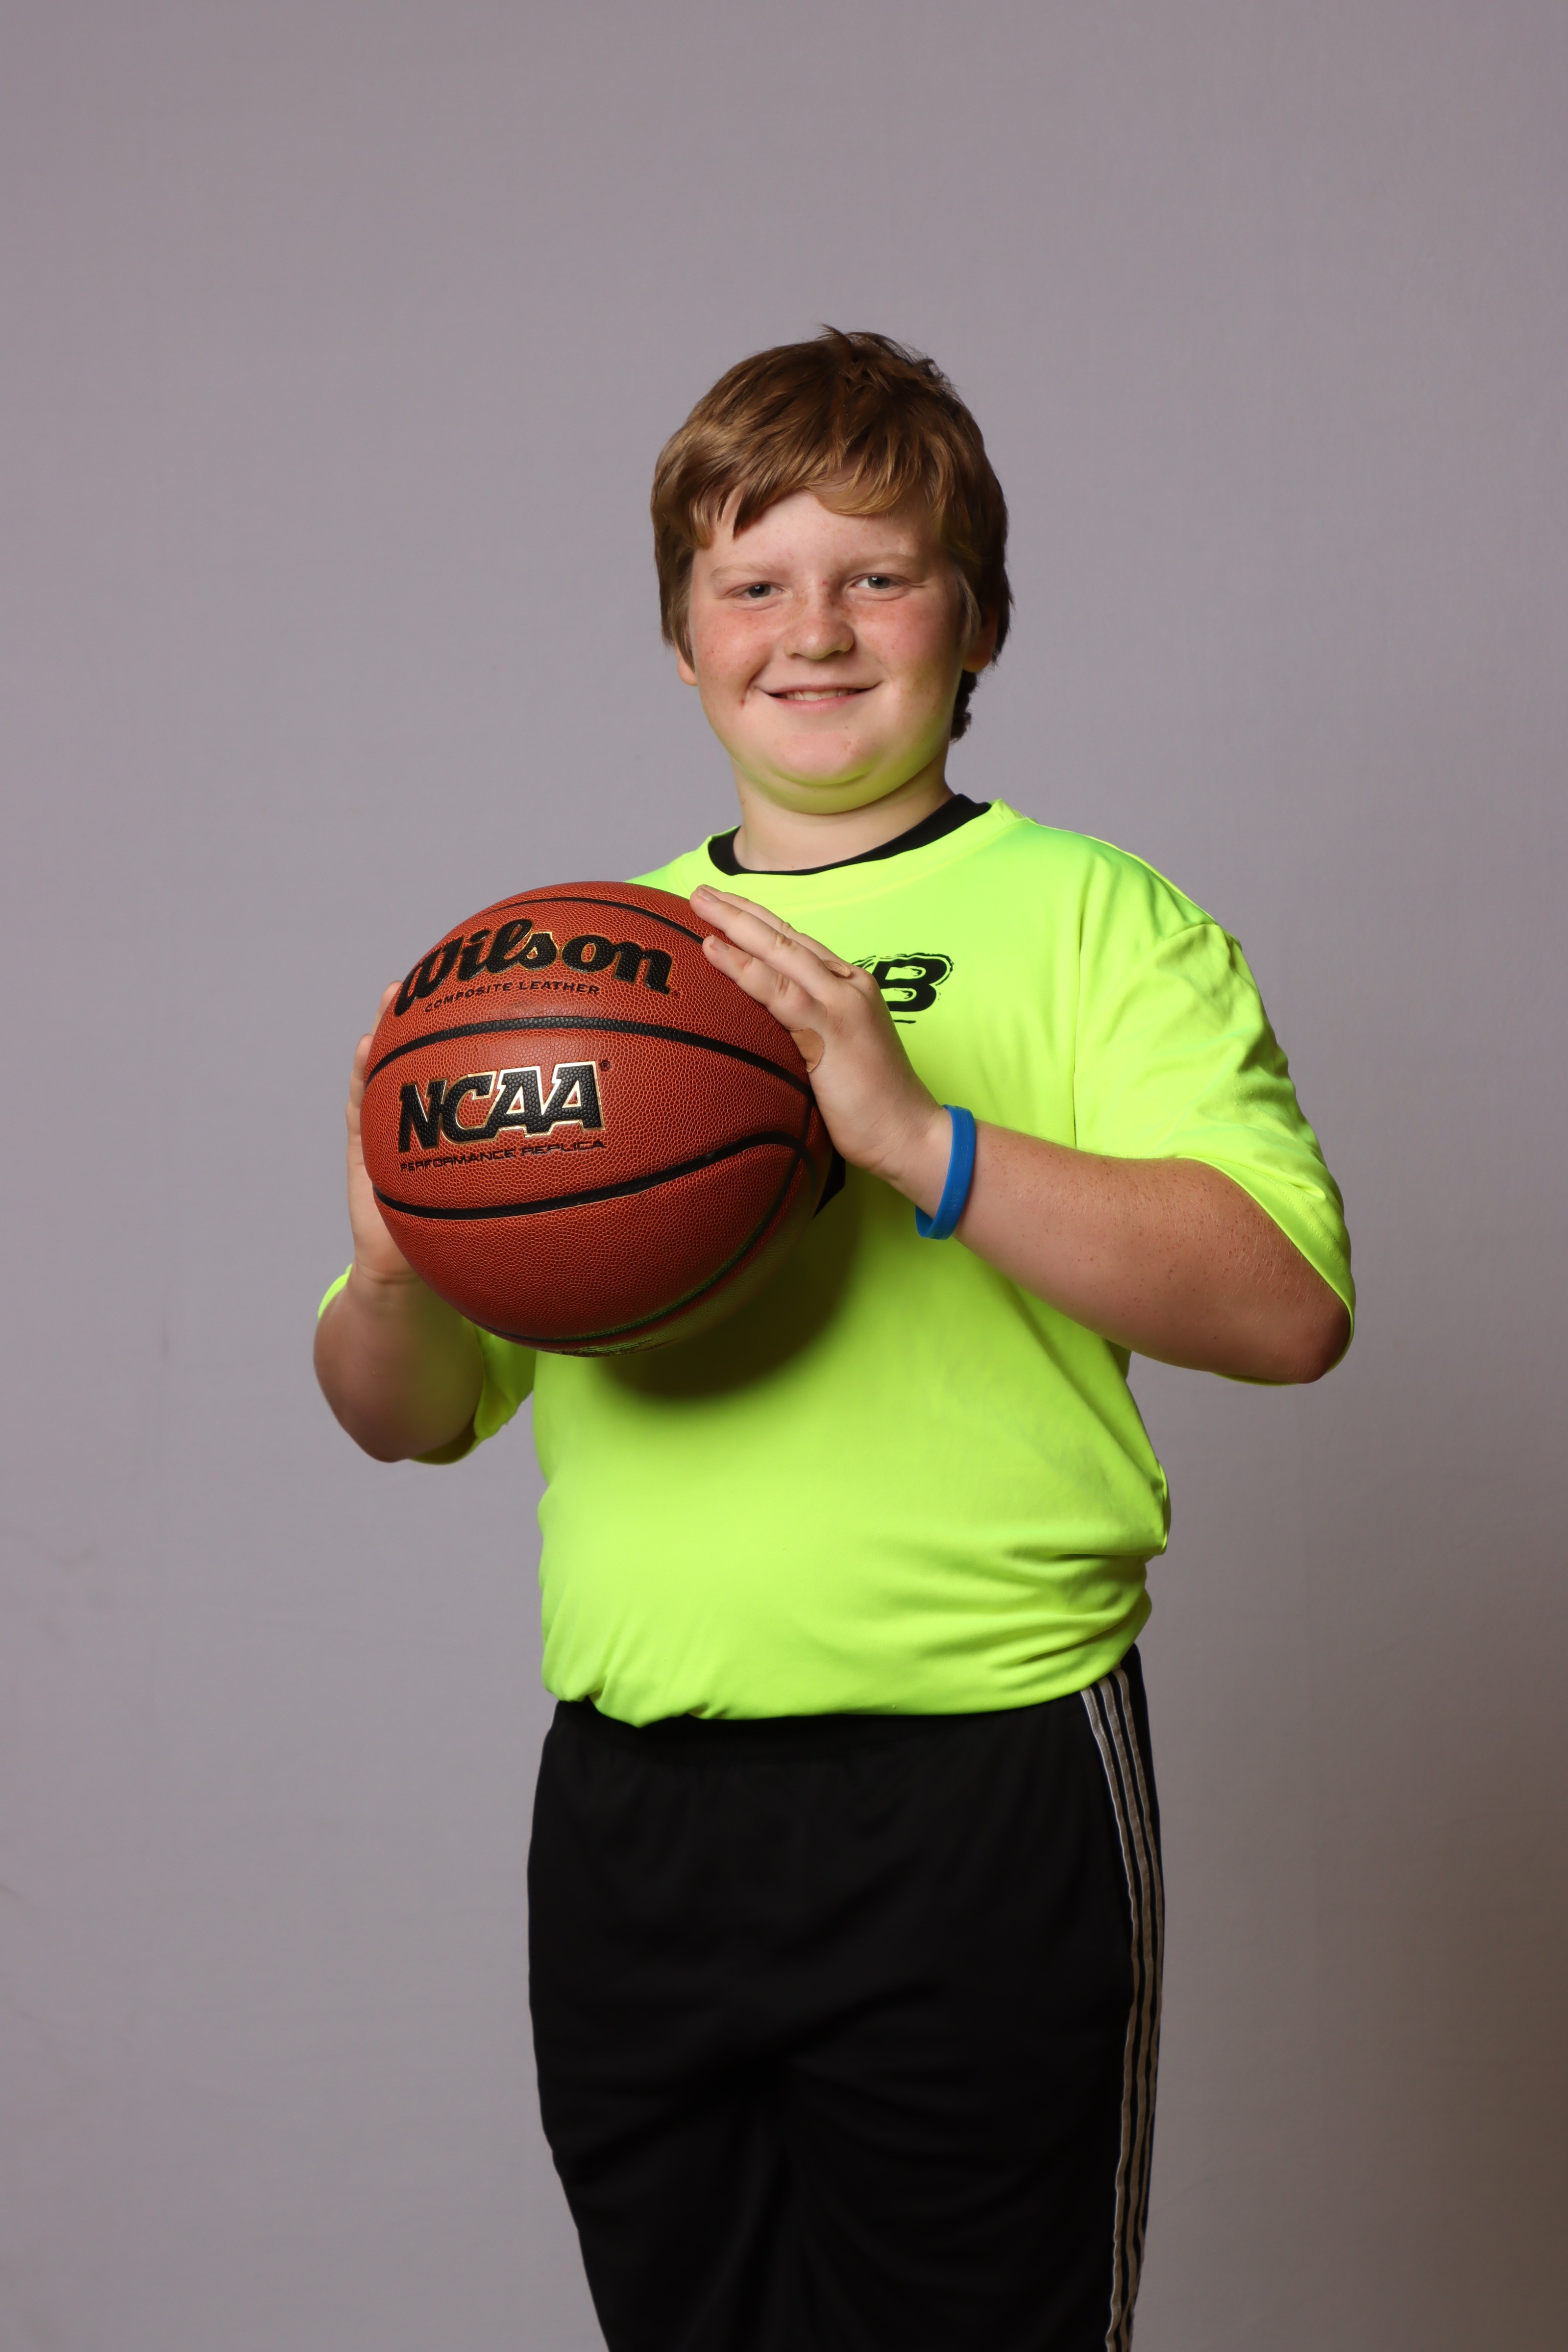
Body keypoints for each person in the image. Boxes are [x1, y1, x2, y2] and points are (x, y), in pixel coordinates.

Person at [316, 329, 1353, 2352]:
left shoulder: (1098, 921)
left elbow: (1287, 1310)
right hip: (634, 1806)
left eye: (878, 575)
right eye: (753, 581)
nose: (813, 631)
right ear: (682, 638)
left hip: (980, 1777)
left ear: (977, 622)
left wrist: (915, 1139)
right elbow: (403, 1417)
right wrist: (397, 1275)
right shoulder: (568, 967)